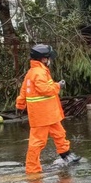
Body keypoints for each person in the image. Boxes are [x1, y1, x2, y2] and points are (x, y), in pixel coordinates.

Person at [16, 44, 81, 174]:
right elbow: (44, 90)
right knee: (37, 142)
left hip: (49, 113)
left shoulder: (34, 72)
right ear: (43, 59)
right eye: (48, 57)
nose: (50, 60)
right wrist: (59, 86)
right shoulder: (38, 72)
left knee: (59, 134)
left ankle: (66, 155)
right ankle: (32, 169)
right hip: (42, 115)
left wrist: (20, 104)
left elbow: (25, 89)